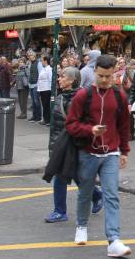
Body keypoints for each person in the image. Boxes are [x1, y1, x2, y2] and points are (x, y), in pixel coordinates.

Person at [65, 54, 131, 257]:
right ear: (94, 72)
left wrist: (124, 151)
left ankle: (114, 240)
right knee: (85, 192)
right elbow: (71, 124)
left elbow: (124, 125)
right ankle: (82, 226)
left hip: (111, 152)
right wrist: (90, 130)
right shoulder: (83, 95)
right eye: (101, 76)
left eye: (109, 76)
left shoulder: (119, 95)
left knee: (112, 195)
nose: (104, 80)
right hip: (88, 153)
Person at [44, 66, 103, 223]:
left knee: (72, 175)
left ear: (72, 80)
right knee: (66, 174)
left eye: (63, 76)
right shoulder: (62, 96)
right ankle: (64, 209)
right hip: (61, 143)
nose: (59, 79)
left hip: (73, 144)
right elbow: (56, 124)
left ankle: (63, 210)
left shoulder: (80, 98)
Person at [37, 55, 53, 126]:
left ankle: (48, 120)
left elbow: (50, 79)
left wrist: (50, 89)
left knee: (46, 105)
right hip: (42, 89)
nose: (41, 62)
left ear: (45, 61)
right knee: (44, 105)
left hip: (47, 89)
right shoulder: (43, 69)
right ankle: (45, 119)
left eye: (42, 60)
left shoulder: (49, 69)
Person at [27, 50, 42, 122]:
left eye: (31, 55)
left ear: (34, 56)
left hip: (36, 84)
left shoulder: (38, 63)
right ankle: (34, 116)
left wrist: (39, 85)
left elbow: (40, 74)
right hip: (31, 84)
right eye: (29, 56)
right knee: (33, 102)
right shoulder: (30, 63)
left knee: (36, 101)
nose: (30, 57)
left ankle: (38, 116)